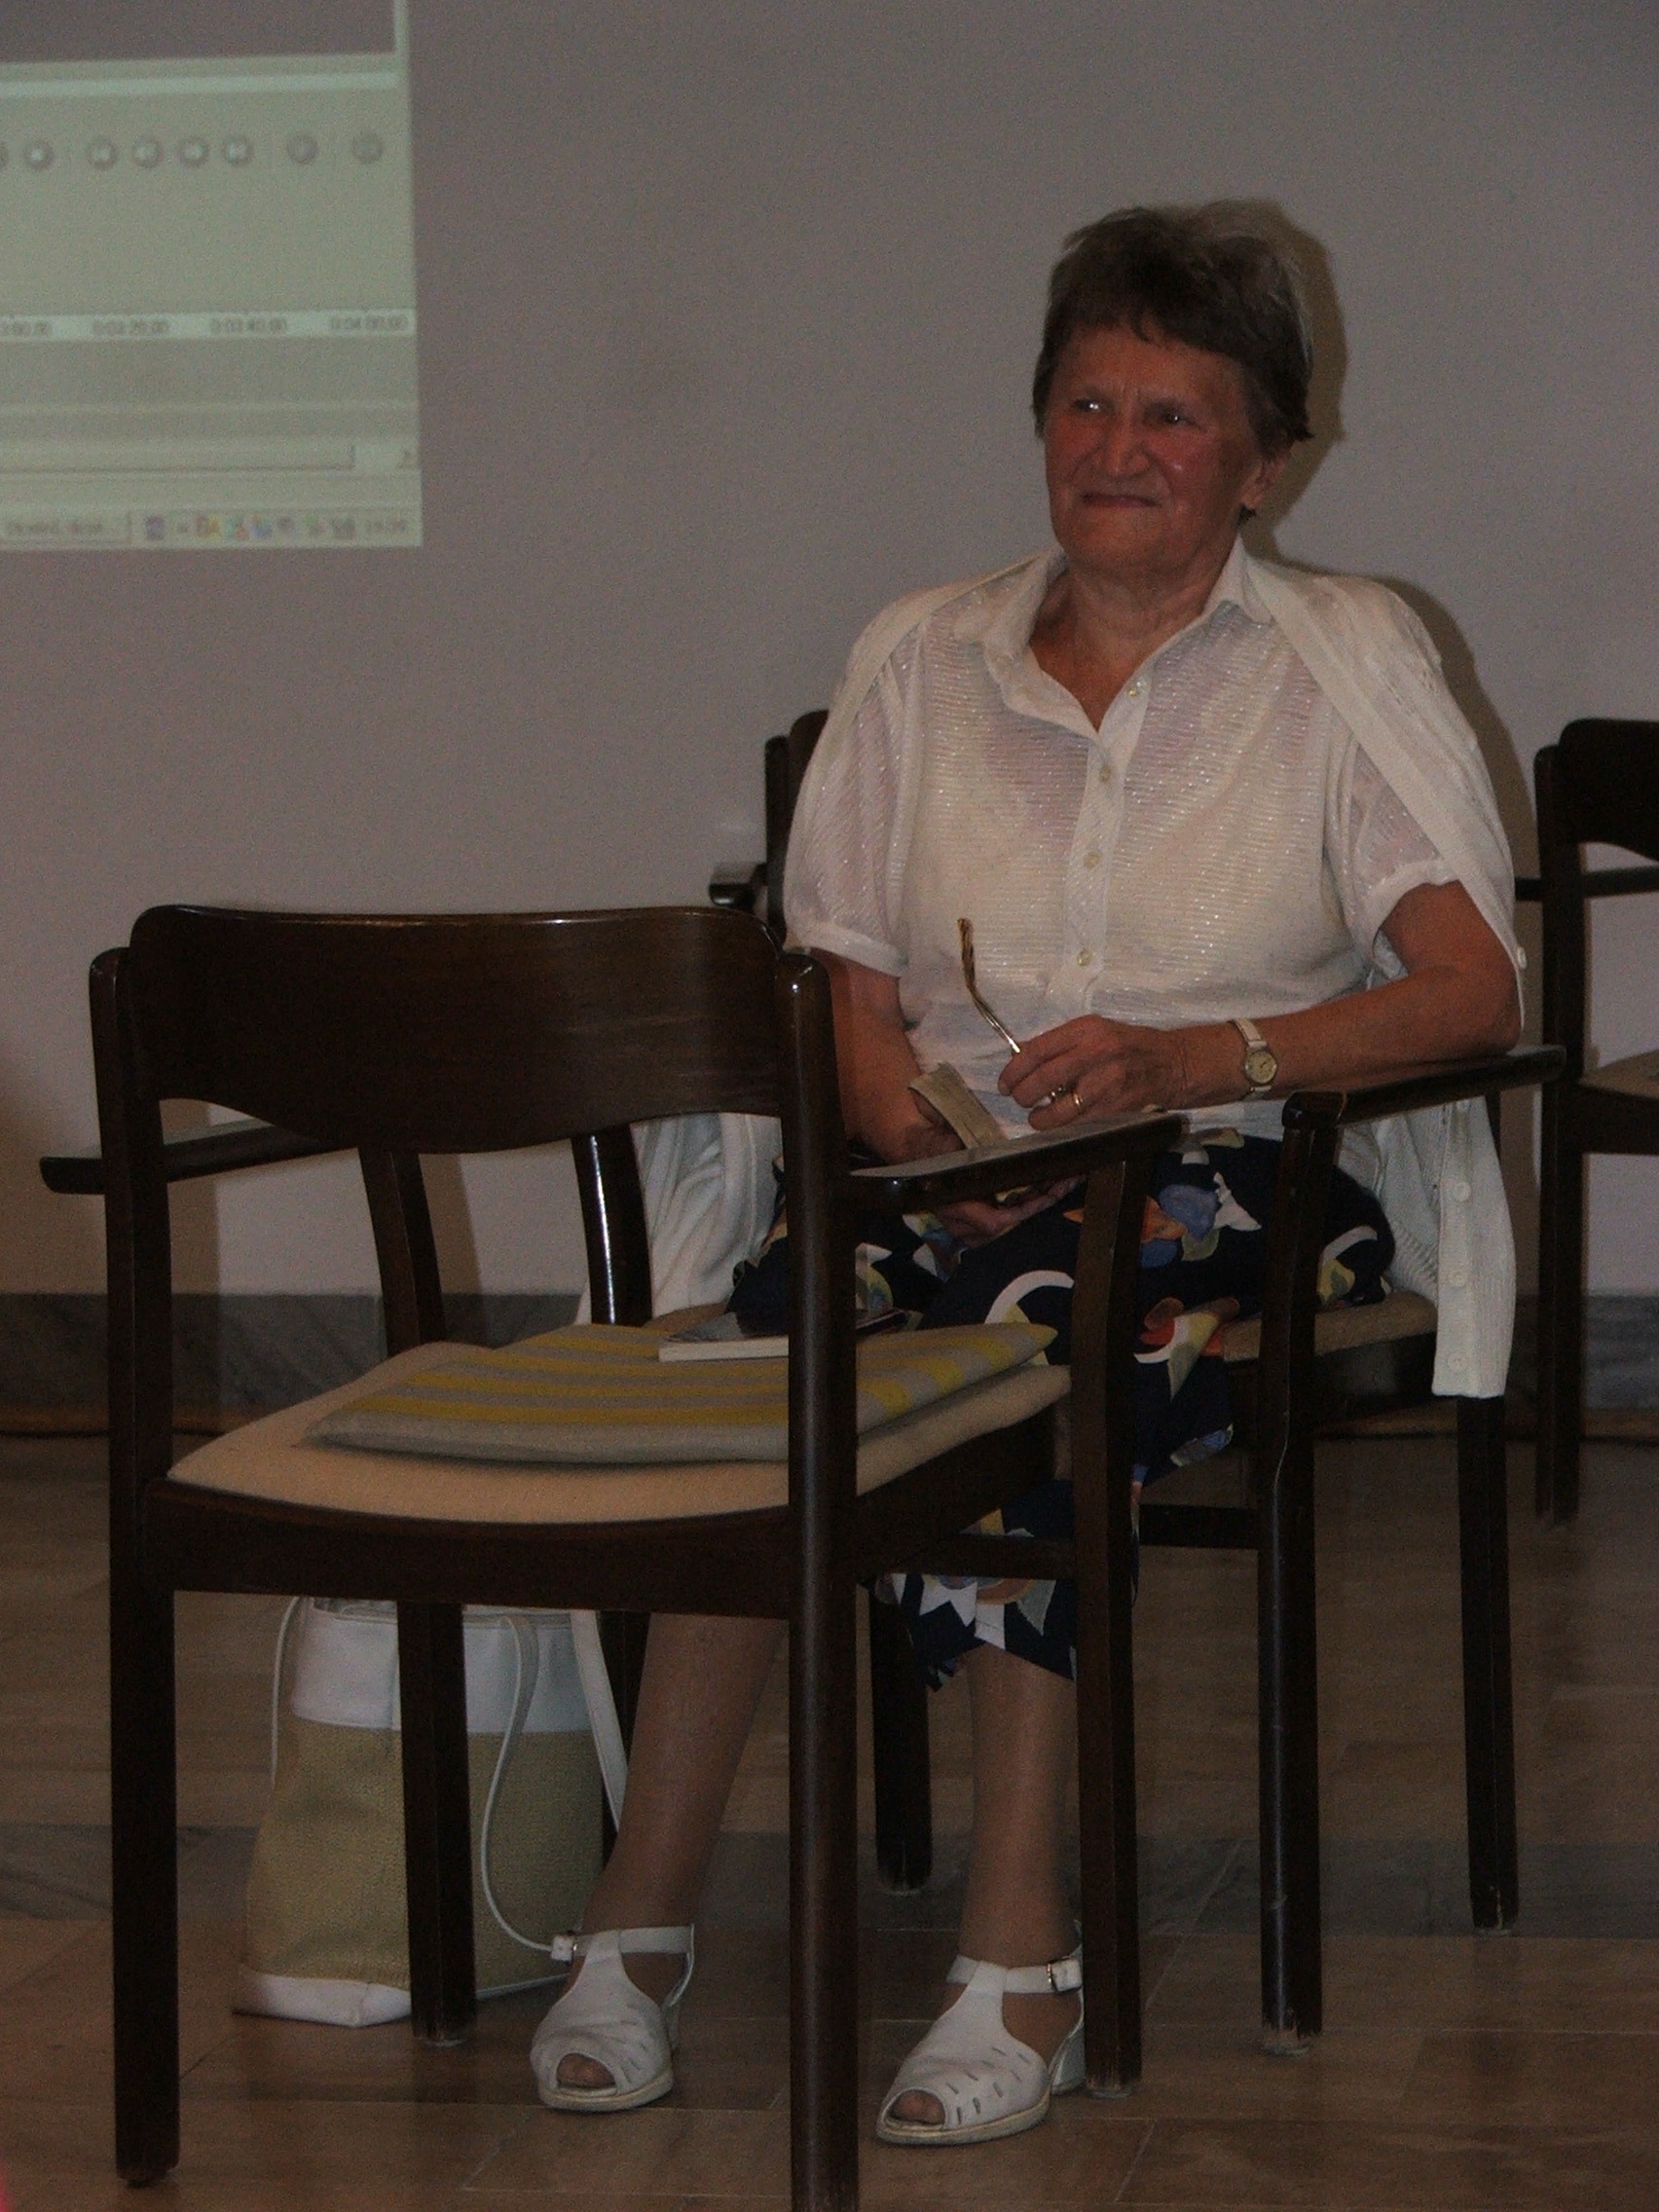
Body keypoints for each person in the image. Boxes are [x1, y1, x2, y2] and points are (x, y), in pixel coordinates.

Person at [529, 203, 1522, 2145]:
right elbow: (837, 977)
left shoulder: (1345, 660)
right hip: (950, 1171)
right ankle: (637, 1920)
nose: (1117, 447)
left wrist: (1196, 1060)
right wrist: (909, 1123)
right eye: (1086, 401)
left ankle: (1018, 1952)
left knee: (1035, 1328)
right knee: (774, 1350)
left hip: (1236, 1165)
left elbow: (1470, 989)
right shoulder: (922, 657)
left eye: (1173, 413)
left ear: (1265, 459)